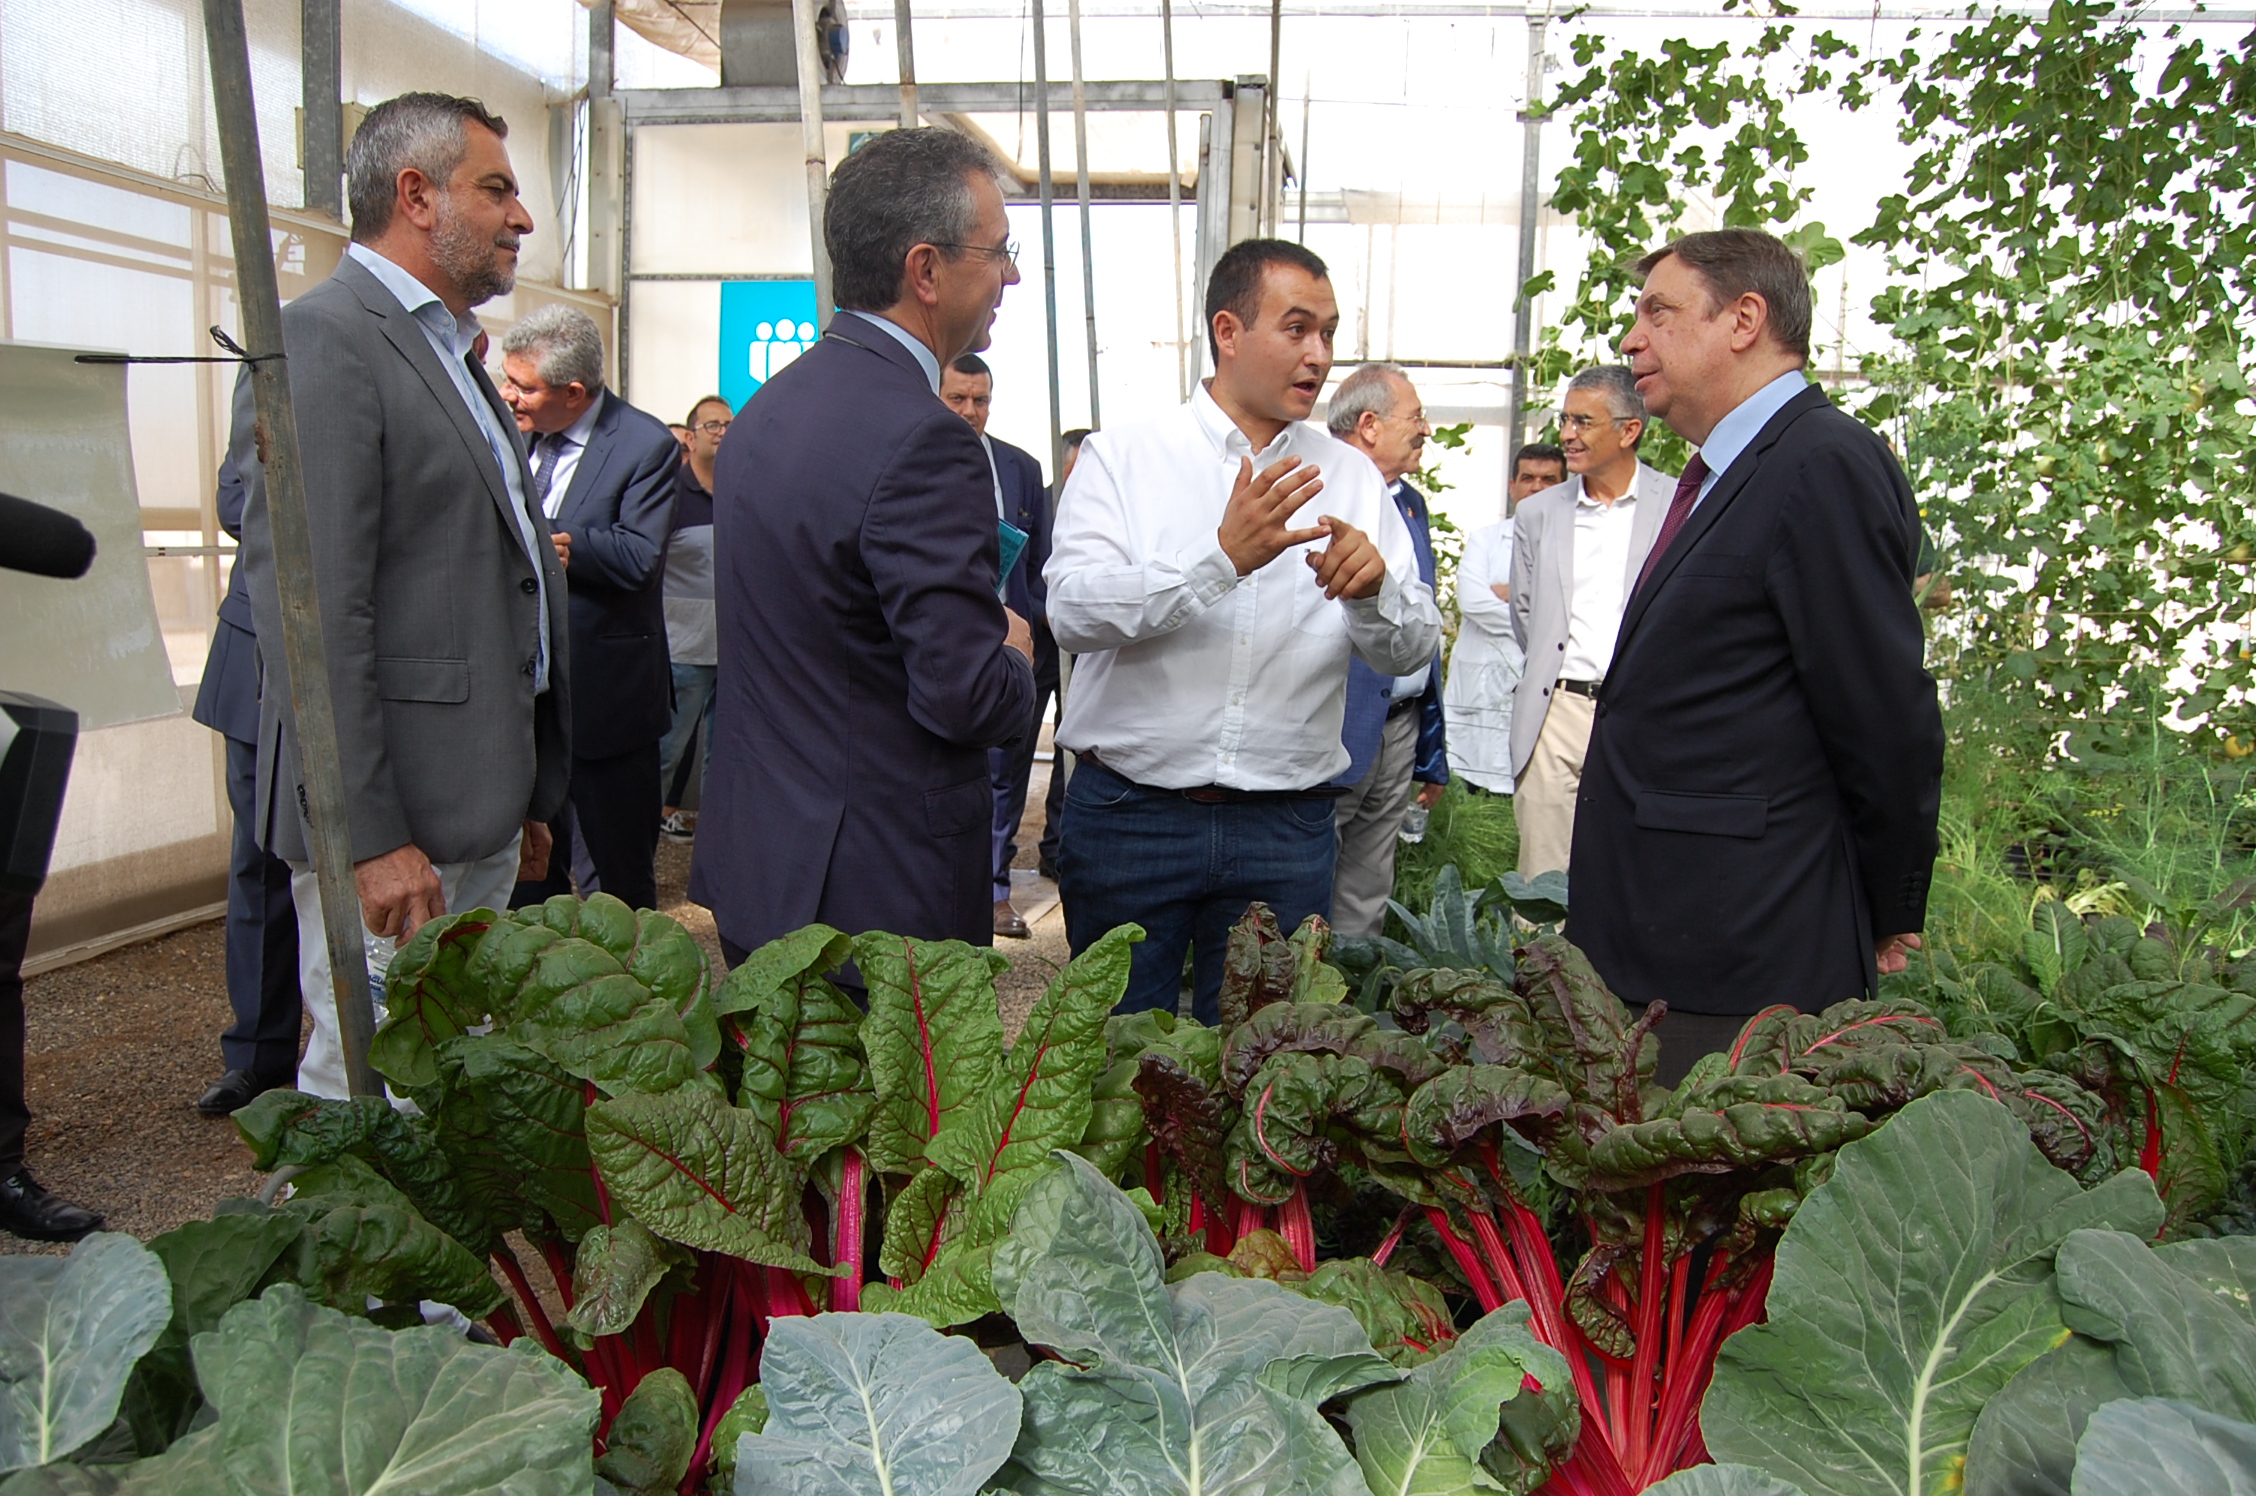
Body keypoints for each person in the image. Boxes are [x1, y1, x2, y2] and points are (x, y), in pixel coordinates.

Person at [237, 91, 570, 1100]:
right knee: (372, 1091)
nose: (520, 218)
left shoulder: (448, 349)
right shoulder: (327, 340)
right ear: (416, 196)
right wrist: (369, 834)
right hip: (397, 826)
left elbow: (496, 575)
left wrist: (524, 795)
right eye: (496, 190)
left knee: (445, 1085)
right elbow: (313, 614)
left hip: (471, 806)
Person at [1574, 227, 1943, 1080]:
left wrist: (1886, 901)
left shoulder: (1821, 464)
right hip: (1675, 936)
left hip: (1742, 955)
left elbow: (1882, 714)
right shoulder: (1732, 471)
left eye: (1658, 313)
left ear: (1744, 319)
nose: (1631, 340)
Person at [1047, 239, 1441, 1020]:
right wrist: (1219, 559)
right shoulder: (1125, 458)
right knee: (1117, 1057)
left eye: (1328, 333)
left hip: (1286, 827)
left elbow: (1411, 647)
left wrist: (1374, 595)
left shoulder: (1352, 479)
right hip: (1132, 817)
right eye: (1296, 329)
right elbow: (1072, 612)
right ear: (1228, 331)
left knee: (1262, 1060)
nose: (1319, 355)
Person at [689, 128, 1035, 962]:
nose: (1011, 277)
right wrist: (1016, 654)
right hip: (874, 898)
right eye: (999, 251)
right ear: (926, 270)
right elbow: (965, 696)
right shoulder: (925, 438)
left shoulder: (765, 409)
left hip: (763, 866)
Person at [500, 305, 678, 914]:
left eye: (524, 387)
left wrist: (558, 542)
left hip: (607, 707)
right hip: (522, 707)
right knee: (528, 883)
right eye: (507, 380)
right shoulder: (506, 431)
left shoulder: (644, 444)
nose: (509, 396)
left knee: (617, 886)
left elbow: (640, 557)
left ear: (574, 393)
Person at [1507, 367, 1676, 877]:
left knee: (1637, 873)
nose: (1566, 434)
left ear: (1629, 430)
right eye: (1564, 419)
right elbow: (1525, 615)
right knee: (1543, 884)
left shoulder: (1678, 505)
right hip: (1556, 711)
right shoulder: (1538, 513)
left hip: (1643, 714)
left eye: (1582, 421)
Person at [191, 449, 300, 1117]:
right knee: (259, 862)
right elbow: (238, 499)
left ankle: (375, 1049)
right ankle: (258, 1052)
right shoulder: (262, 382)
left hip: (386, 651)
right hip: (258, 646)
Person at [1325, 363, 1447, 937]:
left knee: (1370, 879)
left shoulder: (1410, 503)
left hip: (1400, 722)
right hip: (1338, 722)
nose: (1426, 429)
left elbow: (1423, 619)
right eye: (1415, 417)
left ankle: (1352, 985)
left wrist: (1431, 744)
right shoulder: (1320, 493)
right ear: (1369, 425)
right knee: (1312, 876)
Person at [939, 353, 1054, 939]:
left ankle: (994, 890)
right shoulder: (915, 457)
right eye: (957, 398)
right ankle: (942, 890)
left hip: (1011, 646)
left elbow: (1038, 560)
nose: (969, 411)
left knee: (1008, 772)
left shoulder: (1020, 467)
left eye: (979, 400)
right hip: (943, 646)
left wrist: (1028, 625)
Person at [657, 395, 728, 842]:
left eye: (729, 425)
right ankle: (636, 851)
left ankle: (716, 853)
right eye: (712, 426)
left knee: (723, 761)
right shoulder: (671, 495)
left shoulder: (741, 490)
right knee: (665, 754)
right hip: (683, 649)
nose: (722, 434)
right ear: (690, 436)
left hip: (734, 650)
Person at [1035, 427, 1092, 884]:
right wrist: (1047, 613)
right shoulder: (1039, 504)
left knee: (1069, 748)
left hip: (1083, 649)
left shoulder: (1106, 507)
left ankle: (1056, 847)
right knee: (1014, 755)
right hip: (1037, 642)